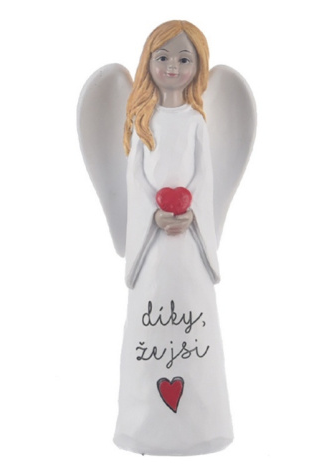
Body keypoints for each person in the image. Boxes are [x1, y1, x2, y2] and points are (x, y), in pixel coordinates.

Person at [114, 20, 234, 456]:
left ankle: (201, 427)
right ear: (148, 61)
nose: (172, 67)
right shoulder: (142, 121)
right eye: (163, 57)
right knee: (150, 317)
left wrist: (189, 212)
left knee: (193, 319)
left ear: (198, 66)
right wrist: (155, 214)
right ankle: (143, 427)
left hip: (188, 242)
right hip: (154, 245)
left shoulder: (196, 121)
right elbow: (135, 180)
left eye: (184, 59)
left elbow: (205, 176)